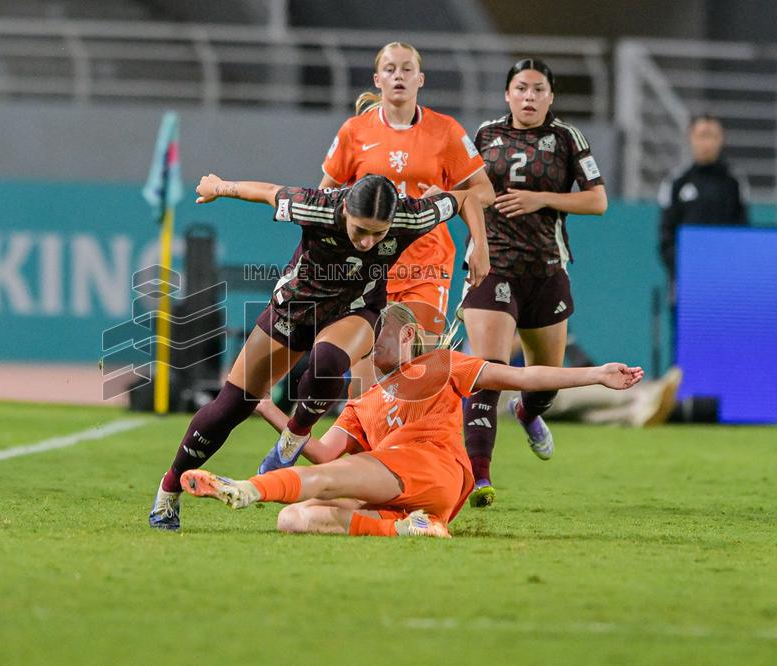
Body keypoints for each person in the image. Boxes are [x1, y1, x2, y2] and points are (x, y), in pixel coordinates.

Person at [148, 173, 485, 530]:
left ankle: (294, 435)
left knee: (329, 360)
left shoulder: (410, 214)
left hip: (356, 308)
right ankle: (168, 490)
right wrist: (219, 188)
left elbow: (465, 198)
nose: (368, 241)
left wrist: (480, 246)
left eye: (379, 233)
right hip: (295, 308)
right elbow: (267, 191)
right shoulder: (316, 206)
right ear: (345, 213)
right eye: (360, 230)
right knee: (230, 406)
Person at [180, 302, 643, 538]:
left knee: (327, 479)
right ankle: (409, 528)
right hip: (410, 494)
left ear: (404, 335)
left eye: (371, 336)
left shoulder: (441, 364)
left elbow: (521, 374)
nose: (363, 346)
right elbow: (321, 450)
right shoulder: (364, 401)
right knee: (295, 519)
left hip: (435, 467)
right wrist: (263, 405)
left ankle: (243, 489)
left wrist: (597, 374)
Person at [459, 58, 608, 508]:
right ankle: (479, 477)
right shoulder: (483, 135)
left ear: (550, 97)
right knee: (487, 370)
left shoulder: (567, 138)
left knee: (544, 383)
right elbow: (462, 188)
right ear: (507, 94)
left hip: (545, 270)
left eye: (538, 89)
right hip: (494, 267)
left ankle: (527, 411)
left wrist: (539, 199)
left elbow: (598, 201)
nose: (529, 96)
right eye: (521, 88)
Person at [319, 41, 494, 389]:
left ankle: (412, 440)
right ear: (377, 79)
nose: (398, 75)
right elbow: (325, 195)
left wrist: (448, 198)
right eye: (390, 69)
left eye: (406, 69)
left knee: (412, 373)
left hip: (426, 267)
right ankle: (360, 444)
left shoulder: (446, 131)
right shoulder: (354, 132)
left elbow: (485, 192)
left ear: (421, 79)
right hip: (369, 267)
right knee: (363, 388)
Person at [658, 114, 749, 363]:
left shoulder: (733, 183)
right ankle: (682, 400)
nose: (706, 142)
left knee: (727, 346)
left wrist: (727, 273)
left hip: (725, 284)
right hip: (686, 284)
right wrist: (687, 270)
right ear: (691, 138)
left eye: (712, 136)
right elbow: (665, 237)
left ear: (721, 140)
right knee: (685, 348)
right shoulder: (677, 183)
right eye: (701, 136)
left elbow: (743, 234)